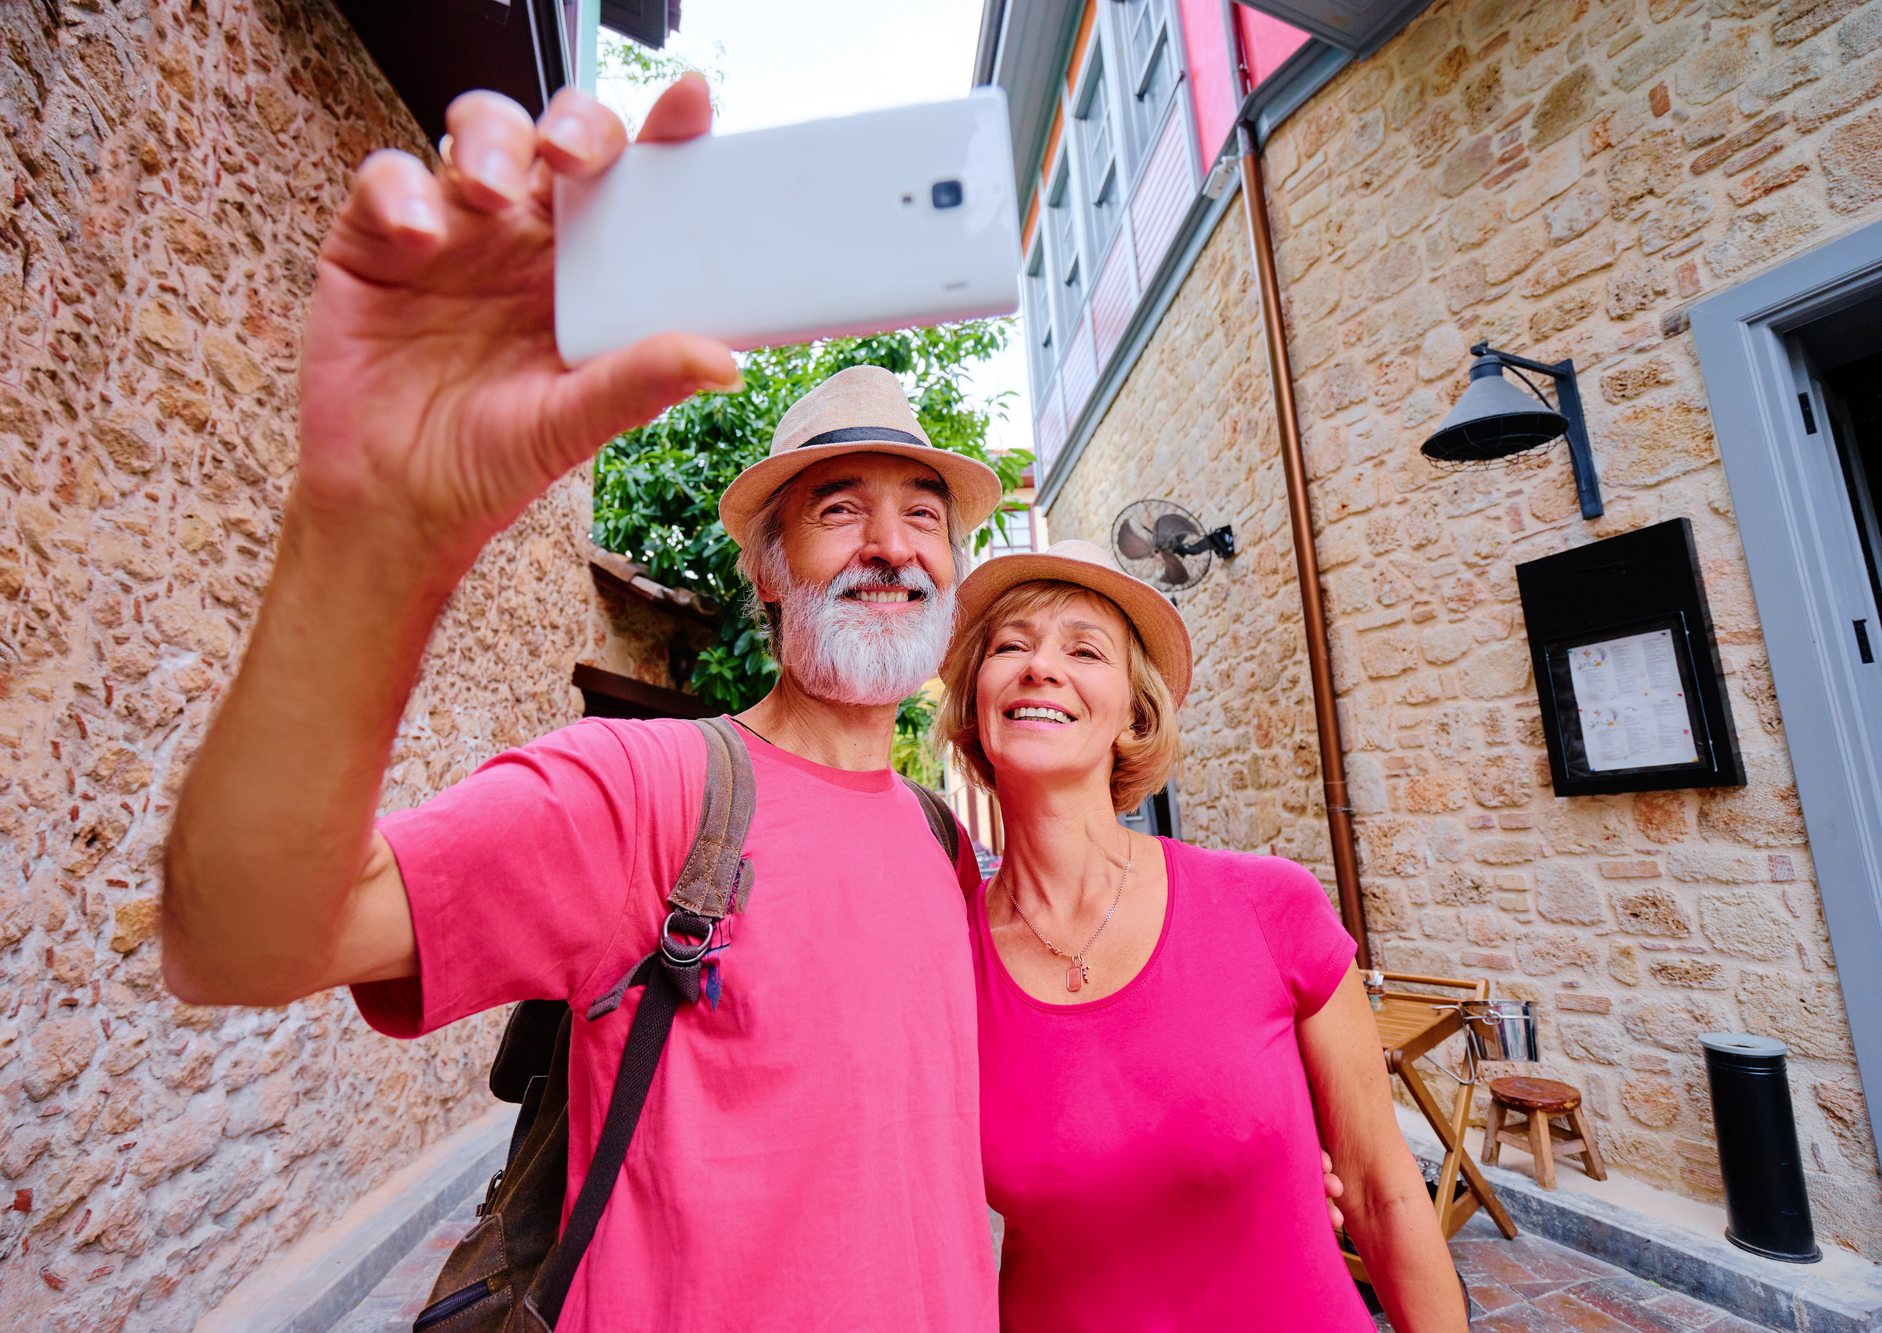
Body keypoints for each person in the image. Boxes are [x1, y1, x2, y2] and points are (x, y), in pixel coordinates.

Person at [159, 76, 1007, 1331]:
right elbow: (240, 941)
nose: (890, 545)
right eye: (838, 510)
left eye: (922, 514)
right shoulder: (651, 792)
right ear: (769, 572)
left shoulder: (943, 842)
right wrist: (370, 542)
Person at [937, 539, 1468, 1333]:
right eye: (1011, 646)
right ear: (978, 708)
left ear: (1133, 715)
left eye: (1084, 649)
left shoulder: (1266, 904)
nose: (1040, 666)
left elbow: (1382, 1191)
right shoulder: (945, 958)